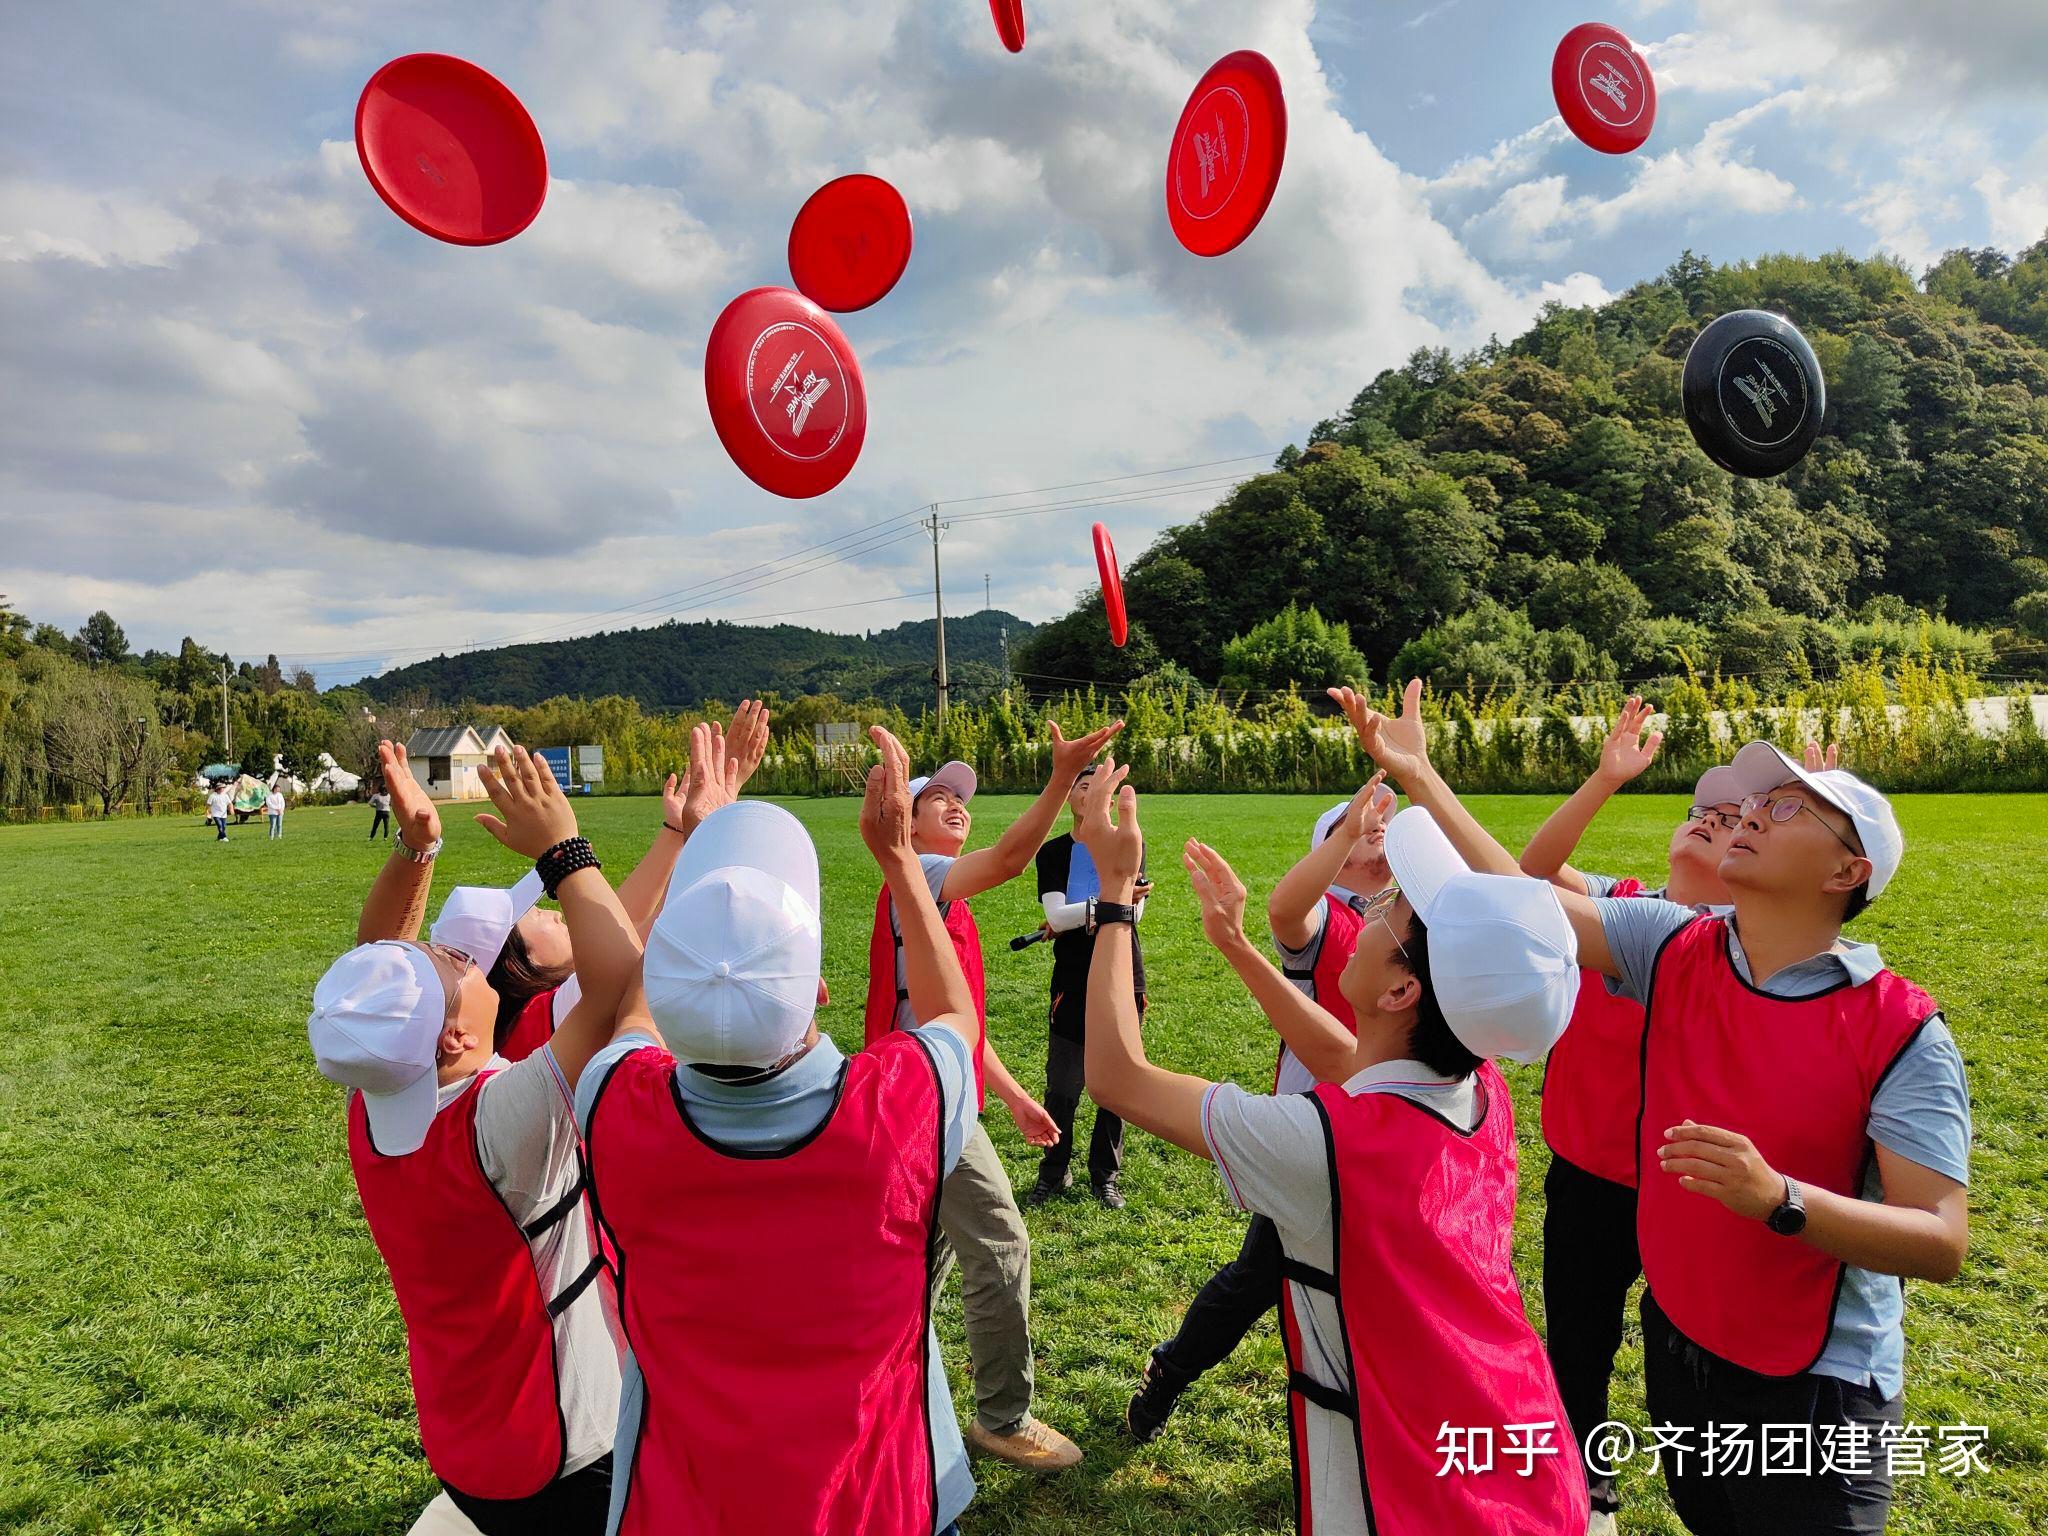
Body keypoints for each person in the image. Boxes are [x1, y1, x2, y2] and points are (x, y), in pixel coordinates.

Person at [1334, 682, 1973, 1536]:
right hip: (1682, 1350)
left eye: (1787, 810)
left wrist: (1776, 1199)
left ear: (1846, 874)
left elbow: (1940, 1240)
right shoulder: (1673, 943)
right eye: (1758, 800)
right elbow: (1520, 901)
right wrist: (1419, 775)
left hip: (1818, 1389)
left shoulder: (1902, 1029)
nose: (1749, 815)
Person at [1077, 760, 1589, 1534]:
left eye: (1392, 910)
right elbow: (1348, 1063)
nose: (1372, 908)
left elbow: (1117, 1076)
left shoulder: (1328, 1147)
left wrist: (1115, 898)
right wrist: (1241, 949)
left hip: (1420, 1495)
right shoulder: (1481, 1090)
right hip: (1516, 1451)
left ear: (1400, 992)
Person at [573, 726, 977, 1535]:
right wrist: (900, 861)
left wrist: (694, 841)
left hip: (682, 1509)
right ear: (818, 990)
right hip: (883, 1506)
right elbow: (953, 1014)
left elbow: (634, 1008)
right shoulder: (899, 1105)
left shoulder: (612, 1104)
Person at [308, 743, 642, 1536]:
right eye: (452, 966)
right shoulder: (502, 1122)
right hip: (567, 1455)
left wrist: (418, 847)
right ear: (454, 1038)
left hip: (468, 1445)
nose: (463, 957)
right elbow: (626, 984)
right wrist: (564, 850)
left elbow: (371, 975)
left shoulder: (378, 1103)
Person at [860, 720, 1121, 1472]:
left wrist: (1006, 1094)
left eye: (961, 799)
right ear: (899, 827)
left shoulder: (942, 902)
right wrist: (1058, 777)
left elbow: (956, 1022)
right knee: (1002, 1246)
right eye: (936, 798)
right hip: (923, 1105)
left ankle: (880, 1384)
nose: (957, 805)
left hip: (925, 1095)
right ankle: (1002, 1418)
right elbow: (1011, 860)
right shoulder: (926, 881)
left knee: (924, 1262)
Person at [1515, 697, 1744, 1536]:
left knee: (1686, 1357)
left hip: (1697, 1188)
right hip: (1589, 1179)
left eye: (1732, 822)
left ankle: (1712, 1493)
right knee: (1577, 1344)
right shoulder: (1619, 905)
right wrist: (1604, 780)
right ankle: (1588, 1489)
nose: (1708, 825)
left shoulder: (1748, 944)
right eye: (1700, 814)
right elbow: (1527, 877)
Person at [1126, 776, 1395, 1442]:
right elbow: (1283, 912)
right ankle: (1171, 1372)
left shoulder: (1400, 918)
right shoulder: (1327, 915)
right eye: (1357, 825)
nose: (1376, 829)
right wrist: (1346, 830)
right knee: (1256, 1281)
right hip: (1316, 1138)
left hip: (1388, 1133)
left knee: (1366, 1285)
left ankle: (1371, 1423)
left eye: (1380, 823)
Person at [1027, 761, 1150, 1209]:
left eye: (1103, 785)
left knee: (1115, 1082)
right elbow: (1056, 918)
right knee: (1062, 1084)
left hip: (1123, 973)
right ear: (1073, 796)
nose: (1094, 791)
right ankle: (1053, 1171)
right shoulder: (1055, 853)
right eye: (1085, 784)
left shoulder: (1128, 844)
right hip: (1073, 979)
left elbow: (1134, 916)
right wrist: (1109, 903)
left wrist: (1086, 912)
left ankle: (1105, 1177)